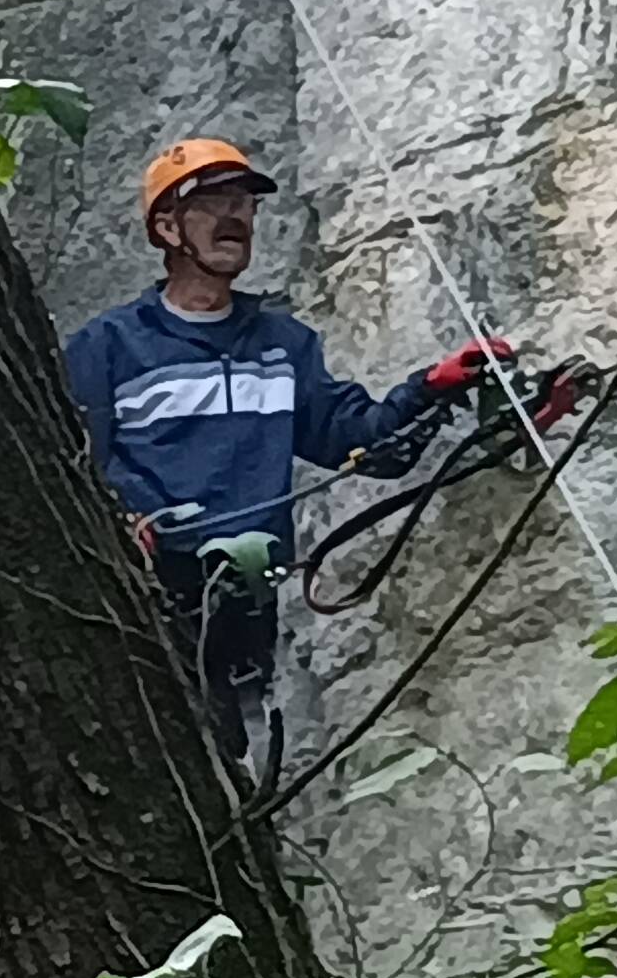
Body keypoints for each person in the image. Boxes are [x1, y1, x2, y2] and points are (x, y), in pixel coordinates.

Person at [60, 138, 505, 777]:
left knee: (233, 762)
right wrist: (142, 515)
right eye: (210, 201)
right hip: (150, 599)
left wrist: (432, 389)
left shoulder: (281, 344)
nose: (233, 217)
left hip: (245, 602)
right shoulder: (108, 347)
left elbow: (361, 445)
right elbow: (83, 462)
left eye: (242, 201)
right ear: (166, 227)